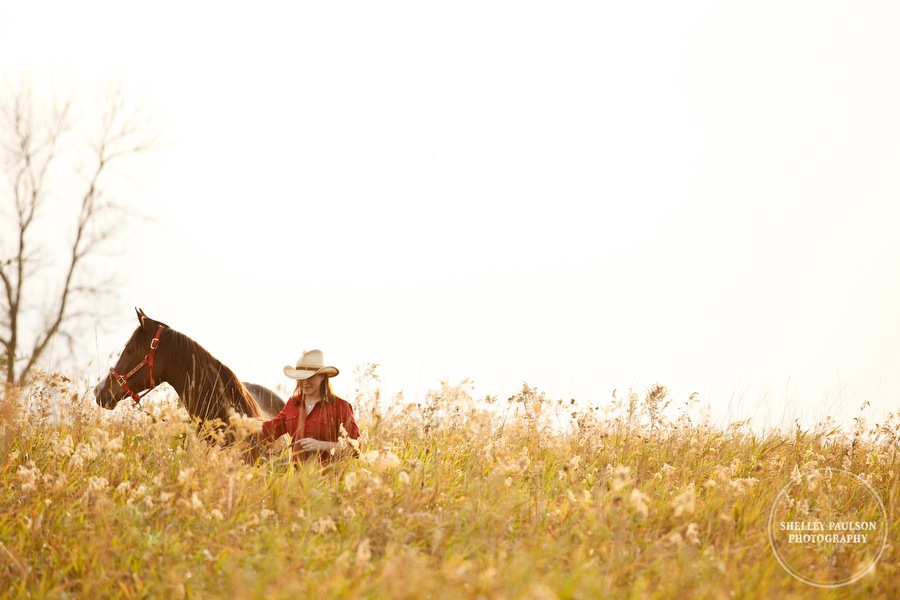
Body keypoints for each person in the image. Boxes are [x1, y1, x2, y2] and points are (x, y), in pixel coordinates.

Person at [255, 349, 360, 463]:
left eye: (310, 377)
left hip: (330, 478)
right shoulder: (293, 403)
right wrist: (240, 421)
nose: (304, 382)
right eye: (301, 378)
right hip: (297, 478)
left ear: (322, 377)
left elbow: (356, 447)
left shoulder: (340, 406)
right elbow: (270, 429)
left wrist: (321, 445)